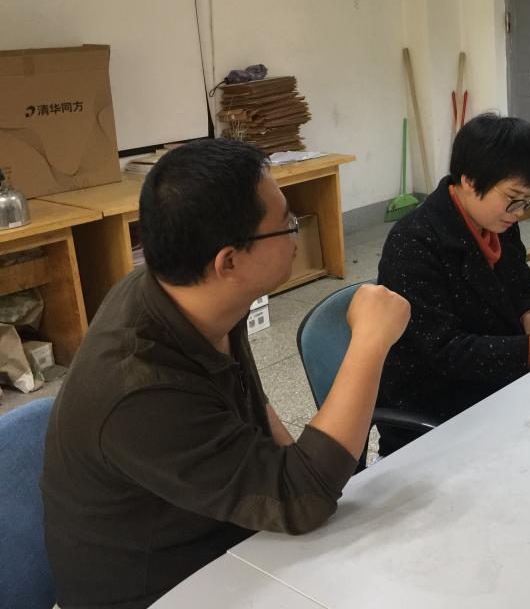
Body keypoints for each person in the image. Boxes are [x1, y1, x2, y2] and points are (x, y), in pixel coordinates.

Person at [41, 138, 410, 609]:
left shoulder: (195, 295)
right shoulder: (140, 390)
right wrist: (370, 343)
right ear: (229, 261)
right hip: (162, 589)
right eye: (287, 226)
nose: (296, 235)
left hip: (221, 538)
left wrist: (296, 468)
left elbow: (254, 403)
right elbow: (303, 502)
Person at [376, 113, 530, 455]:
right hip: (438, 408)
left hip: (496, 384)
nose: (520, 212)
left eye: (527, 199)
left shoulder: (496, 220)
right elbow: (444, 351)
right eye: (513, 197)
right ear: (470, 181)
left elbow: (520, 281)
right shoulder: (414, 242)